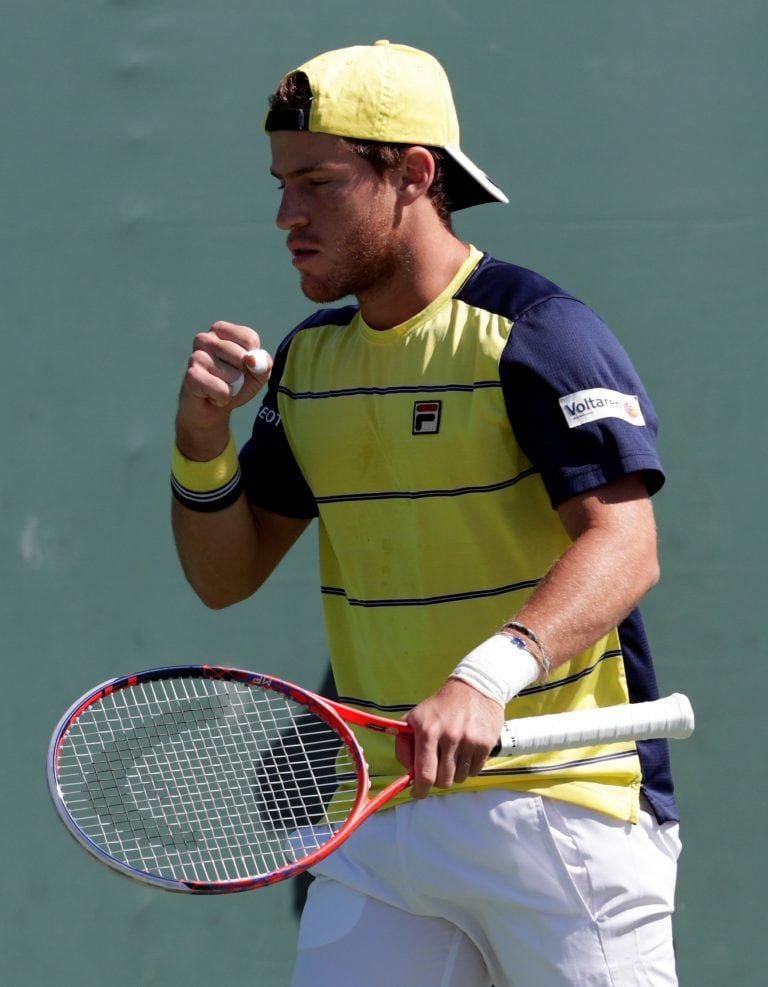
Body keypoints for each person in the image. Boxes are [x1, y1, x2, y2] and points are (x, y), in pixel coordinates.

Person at [171, 40, 681, 987]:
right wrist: (202, 442)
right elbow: (224, 574)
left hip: (564, 805)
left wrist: (485, 677)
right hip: (381, 821)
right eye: (281, 185)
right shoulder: (310, 364)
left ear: (412, 174)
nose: (287, 216)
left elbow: (627, 543)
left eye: (317, 183)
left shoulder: (538, 334)